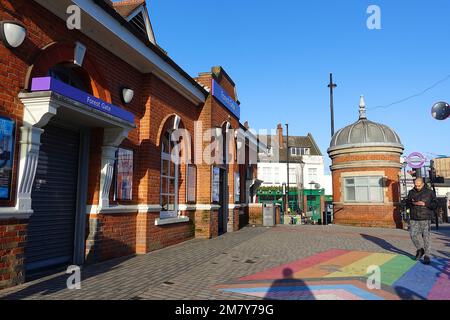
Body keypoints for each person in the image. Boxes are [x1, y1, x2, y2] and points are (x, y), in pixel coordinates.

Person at [406, 177, 438, 265]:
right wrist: (412, 203)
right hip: (414, 217)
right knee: (412, 235)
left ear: (423, 184)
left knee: (426, 237)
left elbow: (435, 204)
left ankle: (427, 256)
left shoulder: (429, 192)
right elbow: (407, 203)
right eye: (415, 185)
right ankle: (420, 250)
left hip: (425, 217)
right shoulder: (411, 192)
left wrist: (425, 204)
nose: (417, 187)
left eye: (419, 186)